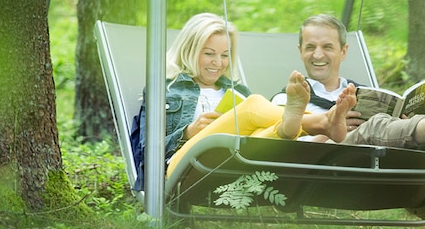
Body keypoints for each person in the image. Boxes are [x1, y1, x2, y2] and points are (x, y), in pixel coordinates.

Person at [132, 13, 350, 189]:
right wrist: (187, 132)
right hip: (184, 169)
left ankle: (289, 126)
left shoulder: (238, 91)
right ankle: (319, 122)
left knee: (262, 134)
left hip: (240, 165)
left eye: (225, 55)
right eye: (209, 54)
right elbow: (146, 151)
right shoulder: (165, 91)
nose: (218, 63)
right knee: (253, 105)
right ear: (190, 50)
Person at [272, 14, 425, 164]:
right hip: (322, 159)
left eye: (327, 47)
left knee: (385, 127)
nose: (317, 55)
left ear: (343, 52)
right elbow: (286, 147)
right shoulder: (287, 98)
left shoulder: (363, 92)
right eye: (310, 47)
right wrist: (332, 128)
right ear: (300, 52)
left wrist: (400, 122)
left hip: (375, 155)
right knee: (374, 126)